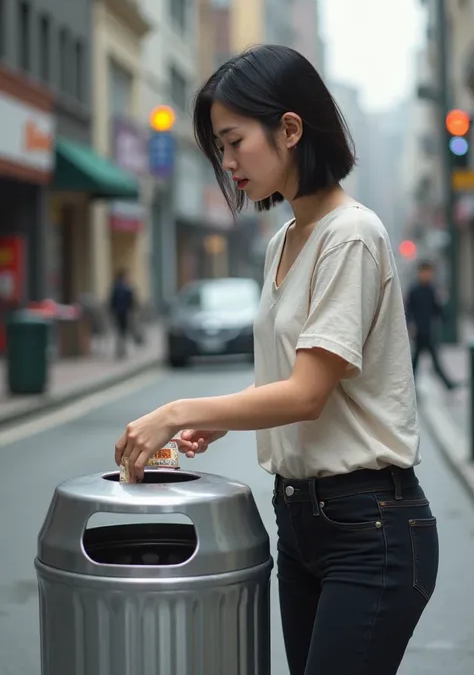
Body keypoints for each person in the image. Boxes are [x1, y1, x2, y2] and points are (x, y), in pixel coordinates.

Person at [115, 45, 439, 675]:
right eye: (220, 147)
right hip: (299, 523)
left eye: (235, 142)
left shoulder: (352, 235)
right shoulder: (284, 241)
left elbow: (307, 393)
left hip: (369, 527)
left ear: (290, 129)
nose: (228, 163)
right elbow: (290, 378)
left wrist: (180, 409)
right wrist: (222, 416)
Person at [406, 260, 457, 390]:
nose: (428, 275)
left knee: (434, 362)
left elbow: (438, 310)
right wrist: (411, 325)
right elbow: (408, 311)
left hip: (429, 332)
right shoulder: (414, 290)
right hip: (418, 333)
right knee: (415, 363)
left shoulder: (432, 290)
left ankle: (448, 384)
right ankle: (409, 387)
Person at [109, 269, 135, 359]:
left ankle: (120, 350)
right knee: (123, 332)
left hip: (118, 313)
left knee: (119, 332)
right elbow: (132, 302)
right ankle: (122, 350)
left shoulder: (116, 288)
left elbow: (111, 302)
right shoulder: (126, 288)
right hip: (124, 313)